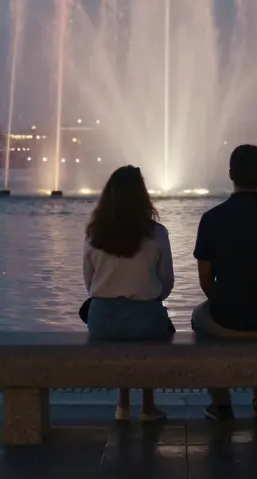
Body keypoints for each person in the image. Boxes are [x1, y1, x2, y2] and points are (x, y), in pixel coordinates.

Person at [192, 144, 257, 421]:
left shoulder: (212, 219)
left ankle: (221, 401)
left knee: (198, 318)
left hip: (227, 320)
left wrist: (228, 299)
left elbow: (206, 281)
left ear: (230, 174)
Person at [82, 165, 174, 422]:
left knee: (120, 329)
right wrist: (150, 294)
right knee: (152, 327)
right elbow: (167, 282)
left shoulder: (94, 234)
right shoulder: (157, 233)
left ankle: (122, 404)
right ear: (142, 196)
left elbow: (89, 284)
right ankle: (148, 404)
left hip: (103, 321)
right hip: (146, 320)